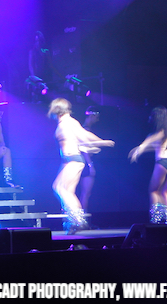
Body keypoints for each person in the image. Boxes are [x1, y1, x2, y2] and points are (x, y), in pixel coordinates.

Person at [48, 98, 114, 234]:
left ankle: (78, 221)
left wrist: (100, 142)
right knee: (67, 191)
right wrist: (99, 143)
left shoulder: (68, 122)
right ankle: (72, 222)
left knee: (59, 188)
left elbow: (84, 136)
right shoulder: (67, 122)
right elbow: (83, 136)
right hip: (69, 160)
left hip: (73, 159)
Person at [78, 106, 100, 213]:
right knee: (86, 193)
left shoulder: (84, 129)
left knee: (85, 193)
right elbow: (84, 149)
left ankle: (81, 217)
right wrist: (90, 165)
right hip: (86, 163)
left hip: (84, 163)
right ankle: (82, 218)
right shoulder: (85, 130)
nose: (98, 120)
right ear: (92, 116)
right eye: (97, 117)